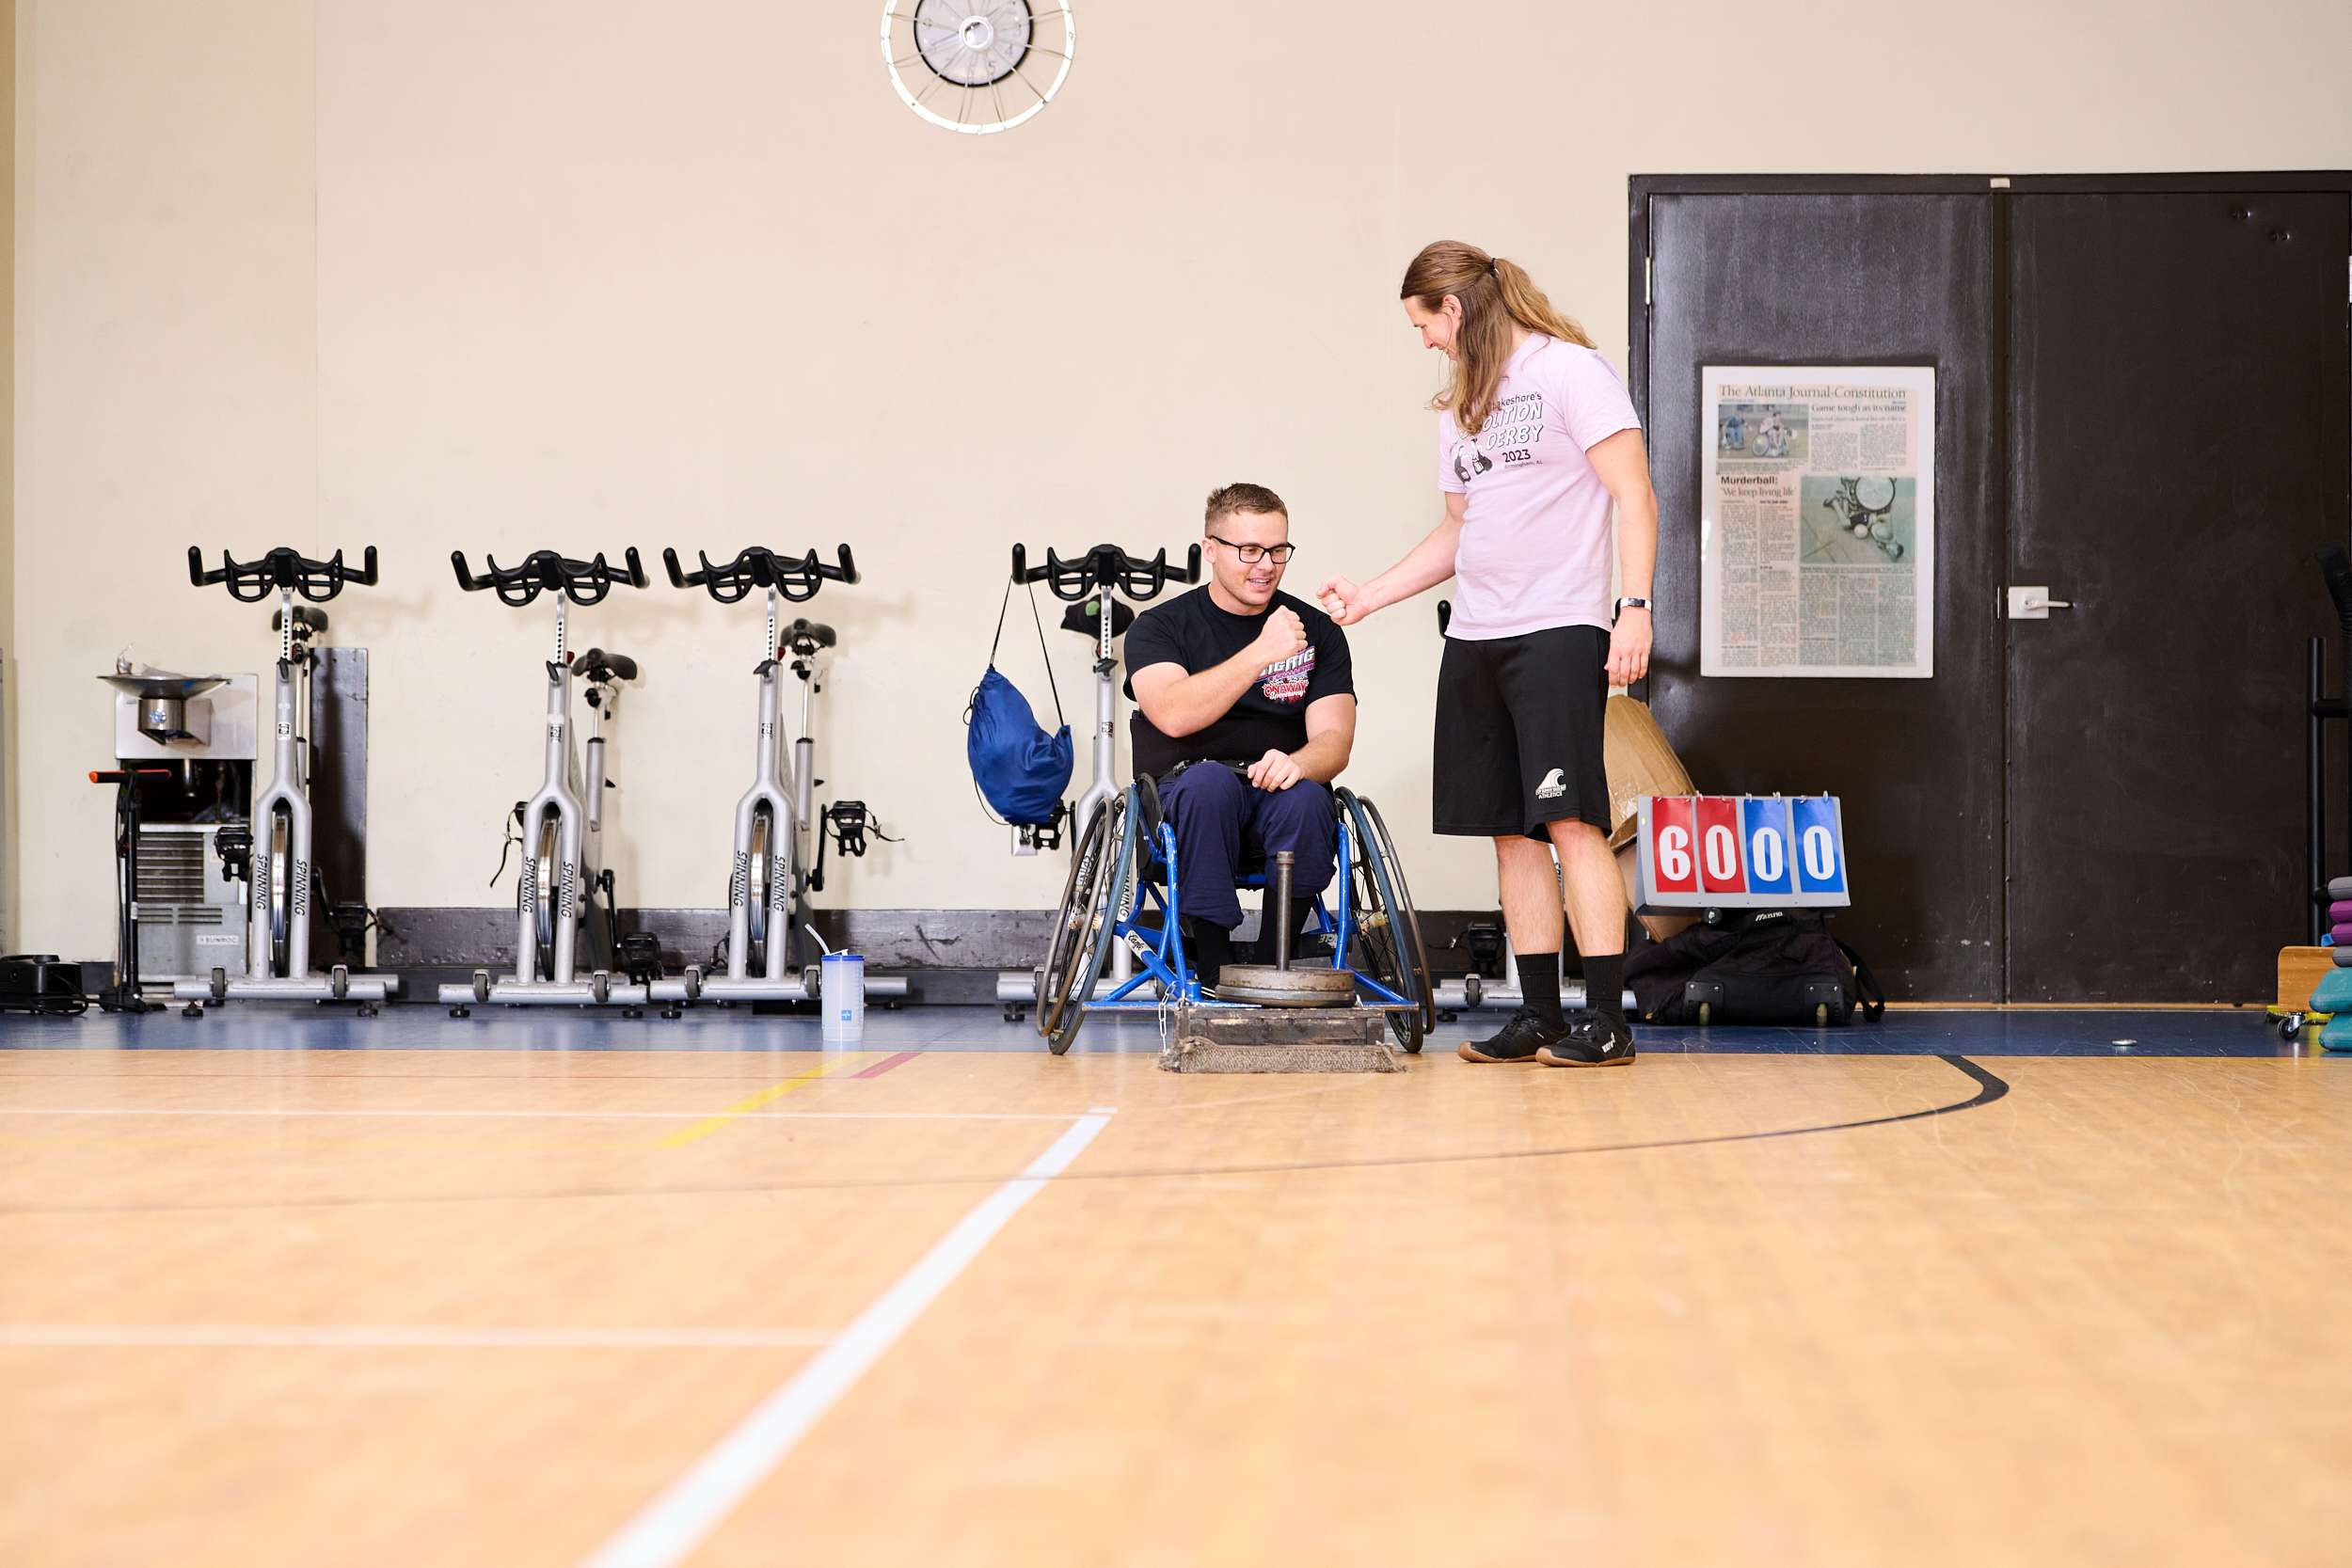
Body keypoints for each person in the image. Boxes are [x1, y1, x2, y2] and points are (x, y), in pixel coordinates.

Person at [1318, 241, 1659, 1068]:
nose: (1424, 341)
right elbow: (1458, 531)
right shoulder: (1462, 405)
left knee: (1571, 823)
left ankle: (1606, 1021)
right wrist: (1371, 595)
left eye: (1423, 323)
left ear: (1456, 309)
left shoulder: (1572, 372)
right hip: (1475, 635)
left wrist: (1634, 609)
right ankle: (1541, 1013)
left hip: (1558, 628)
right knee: (1510, 834)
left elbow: (1634, 493)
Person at [1126, 483, 1358, 987]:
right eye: (1249, 550)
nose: (1266, 565)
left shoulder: (1316, 631)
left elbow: (1334, 740)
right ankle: (1211, 966)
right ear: (1210, 549)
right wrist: (1261, 652)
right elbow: (1172, 714)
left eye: (1278, 550)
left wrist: (1301, 763)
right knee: (1208, 786)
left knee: (1308, 798)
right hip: (1187, 794)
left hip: (1274, 790)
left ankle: (1276, 965)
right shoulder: (1160, 627)